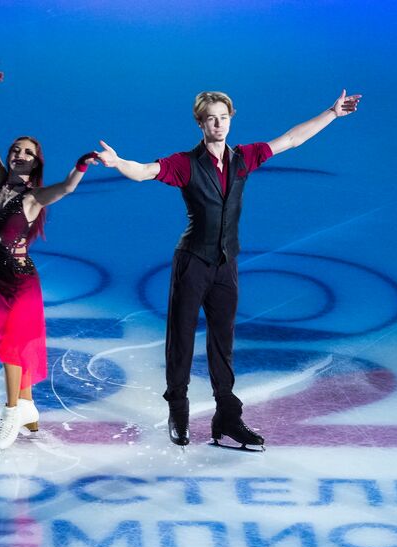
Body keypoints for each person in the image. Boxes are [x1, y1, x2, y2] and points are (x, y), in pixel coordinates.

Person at [95, 88, 361, 450]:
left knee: (223, 343)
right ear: (200, 123)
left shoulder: (244, 159)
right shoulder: (185, 164)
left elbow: (292, 138)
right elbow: (144, 172)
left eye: (223, 117)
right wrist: (118, 162)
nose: (218, 124)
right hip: (192, 261)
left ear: (231, 118)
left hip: (226, 263)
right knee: (182, 340)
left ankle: (227, 418)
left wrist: (331, 114)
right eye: (210, 118)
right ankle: (179, 410)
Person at [0, 60, 98, 449]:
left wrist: (80, 167)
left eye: (26, 152)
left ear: (35, 161)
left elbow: (64, 190)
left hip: (21, 281)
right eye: (15, 150)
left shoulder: (32, 198)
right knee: (9, 343)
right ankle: (27, 405)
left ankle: (12, 411)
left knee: (13, 346)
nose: (17, 154)